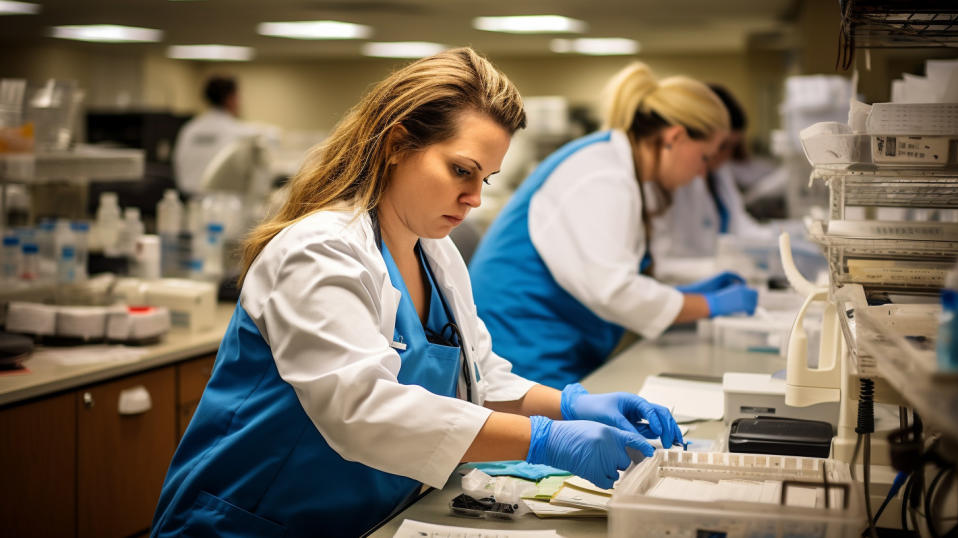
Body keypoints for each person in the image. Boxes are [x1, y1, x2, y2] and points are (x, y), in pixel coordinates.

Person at [151, 48, 683, 538]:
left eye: (487, 179)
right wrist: (542, 438)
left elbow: (477, 376)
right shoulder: (318, 251)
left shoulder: (435, 251)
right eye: (461, 171)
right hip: (249, 521)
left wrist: (571, 405)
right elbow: (363, 409)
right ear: (397, 144)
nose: (474, 198)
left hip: (362, 517)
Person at [468, 63, 758, 390]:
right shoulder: (603, 176)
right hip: (522, 346)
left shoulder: (619, 168)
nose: (702, 172)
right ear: (675, 137)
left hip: (553, 342)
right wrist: (707, 305)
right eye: (704, 157)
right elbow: (614, 290)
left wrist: (687, 293)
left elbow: (613, 273)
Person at [650, 84, 771, 260]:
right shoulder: (675, 176)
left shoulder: (719, 171)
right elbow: (664, 255)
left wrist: (782, 238)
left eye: (732, 147)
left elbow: (737, 222)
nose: (724, 155)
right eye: (723, 146)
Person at [173, 75, 262, 197]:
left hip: (188, 201)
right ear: (230, 98)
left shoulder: (190, 129)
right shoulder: (241, 133)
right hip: (224, 203)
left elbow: (178, 164)